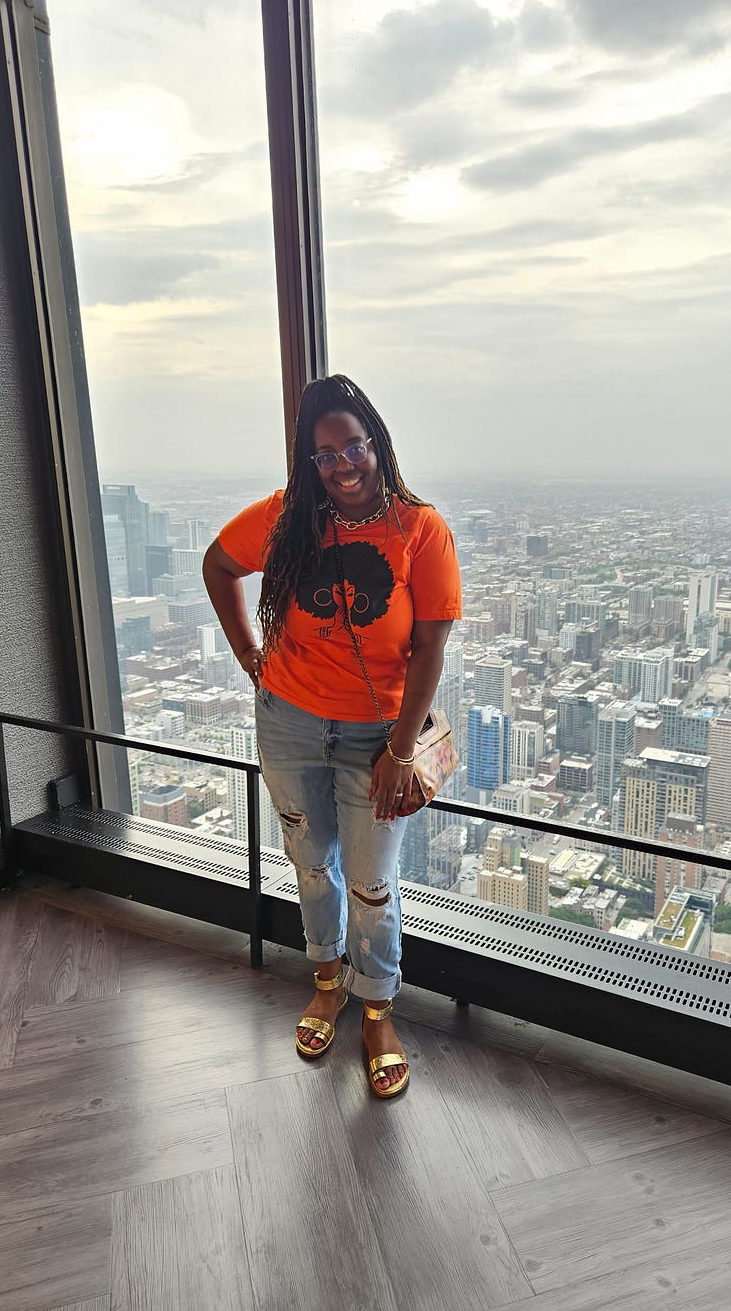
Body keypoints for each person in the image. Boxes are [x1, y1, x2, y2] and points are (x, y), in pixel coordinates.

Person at [202, 374, 461, 1097]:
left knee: (373, 880)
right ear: (309, 462)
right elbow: (218, 565)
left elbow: (430, 647)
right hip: (286, 721)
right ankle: (326, 980)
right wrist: (249, 655)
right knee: (311, 861)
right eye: (326, 454)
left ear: (376, 442)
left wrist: (402, 750)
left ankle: (377, 1007)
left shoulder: (419, 529)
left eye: (354, 445)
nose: (343, 464)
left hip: (377, 736)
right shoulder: (289, 518)